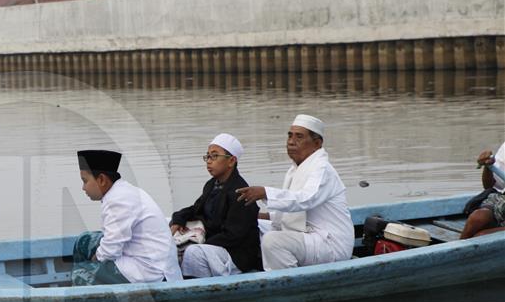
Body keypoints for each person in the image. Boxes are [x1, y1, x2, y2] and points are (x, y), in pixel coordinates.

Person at [235, 114, 353, 271]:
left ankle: (287, 283)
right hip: (307, 236)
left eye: (299, 137)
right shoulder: (295, 169)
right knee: (249, 225)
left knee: (273, 241)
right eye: (290, 136)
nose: (291, 141)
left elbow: (304, 200)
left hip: (330, 243)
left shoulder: (322, 169)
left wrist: (265, 192)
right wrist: (255, 215)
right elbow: (287, 215)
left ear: (317, 143)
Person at [72, 150, 182, 286]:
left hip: (152, 271)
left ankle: (83, 297)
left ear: (101, 180)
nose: (83, 188)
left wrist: (93, 262)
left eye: (85, 181)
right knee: (84, 241)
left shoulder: (118, 200)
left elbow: (110, 251)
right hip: (139, 256)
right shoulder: (120, 191)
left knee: (81, 275)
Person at [171, 133, 262, 278]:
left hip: (236, 254)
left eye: (214, 156)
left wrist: (200, 242)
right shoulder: (212, 185)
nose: (208, 161)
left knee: (193, 252)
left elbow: (234, 235)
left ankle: (199, 285)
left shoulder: (240, 191)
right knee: (171, 234)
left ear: (231, 161)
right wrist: (177, 220)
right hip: (215, 243)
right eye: (207, 156)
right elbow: (196, 209)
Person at [460, 141, 505, 239]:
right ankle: (456, 250)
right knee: (478, 217)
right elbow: (489, 186)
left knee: (482, 236)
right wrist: (488, 166)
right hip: (502, 199)